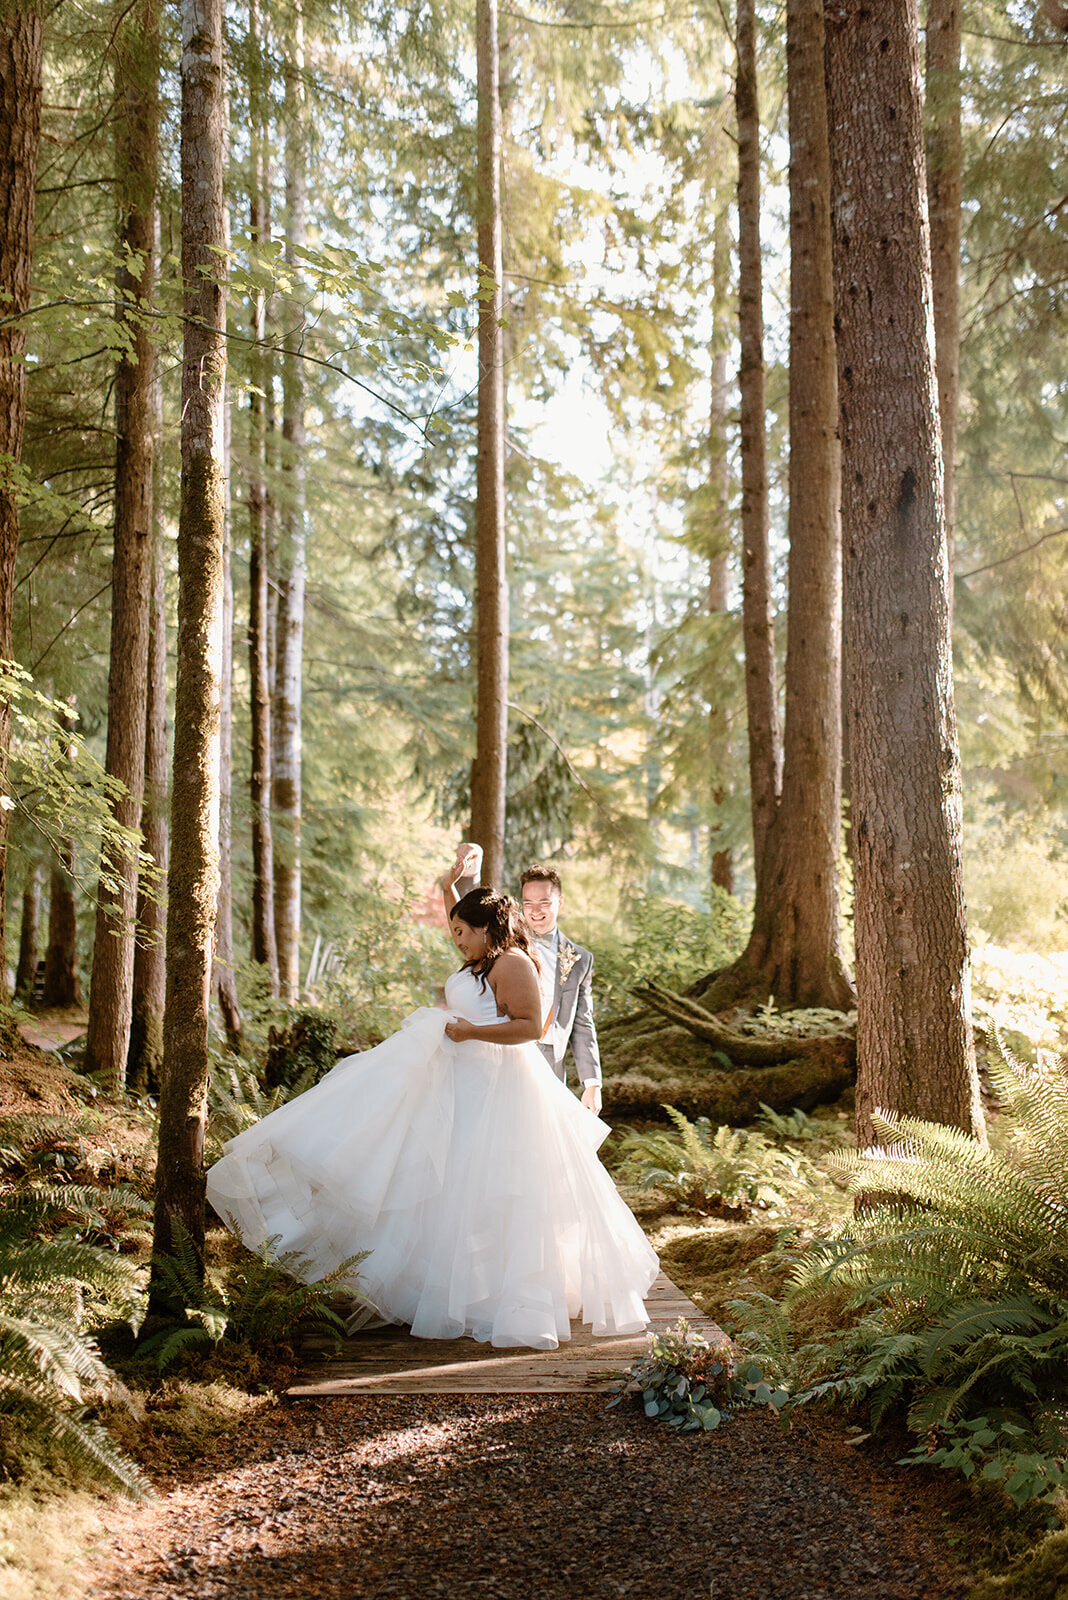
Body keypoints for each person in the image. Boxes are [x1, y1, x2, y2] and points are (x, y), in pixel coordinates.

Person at [206, 875, 658, 1351]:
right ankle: (443, 1287)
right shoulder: (480, 960)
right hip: (459, 1082)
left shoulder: (513, 963)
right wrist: (450, 882)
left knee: (496, 1186)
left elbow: (528, 1028)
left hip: (500, 1087)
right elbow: (464, 940)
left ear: (486, 928)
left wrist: (469, 1034)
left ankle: (506, 1295)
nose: (456, 938)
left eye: (462, 931)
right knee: (444, 1181)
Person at [442, 848, 603, 1114]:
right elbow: (471, 916)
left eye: (544, 902)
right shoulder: (502, 941)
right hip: (492, 1053)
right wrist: (459, 876)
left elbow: (583, 1022)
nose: (535, 911)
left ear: (560, 902)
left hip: (546, 1056)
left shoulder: (579, 959)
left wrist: (592, 1082)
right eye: (528, 903)